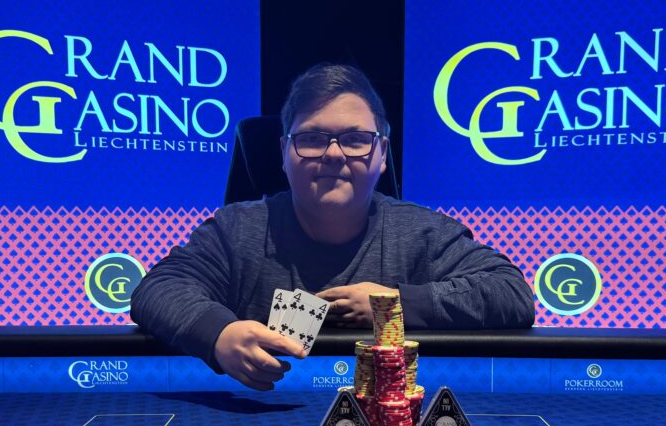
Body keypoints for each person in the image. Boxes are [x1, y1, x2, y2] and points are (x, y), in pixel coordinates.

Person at [130, 63, 534, 390]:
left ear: (381, 154)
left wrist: (393, 305)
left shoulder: (424, 232)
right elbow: (158, 289)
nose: (334, 154)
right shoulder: (235, 230)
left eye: (355, 139)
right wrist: (219, 334)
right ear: (284, 152)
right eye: (312, 138)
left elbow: (512, 293)